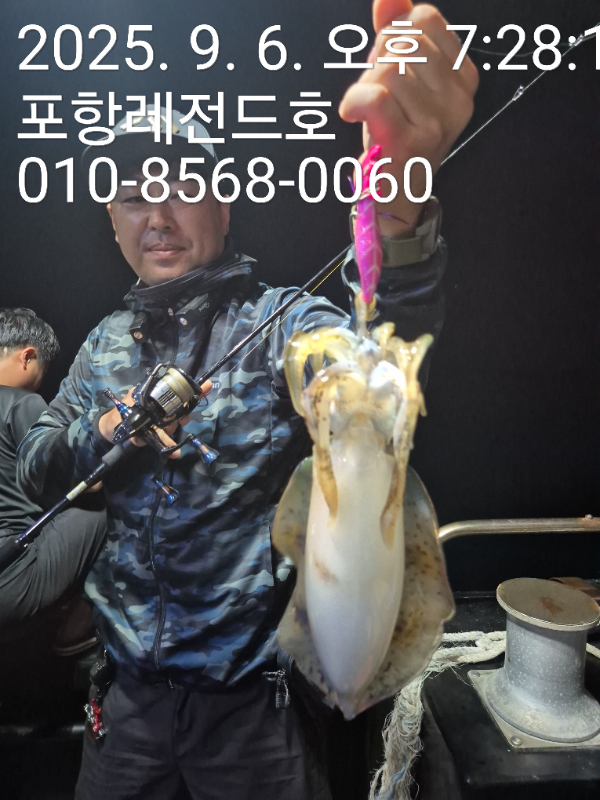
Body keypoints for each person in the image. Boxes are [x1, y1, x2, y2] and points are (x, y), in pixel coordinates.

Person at [18, 2, 478, 798]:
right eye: (132, 194)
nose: (157, 214)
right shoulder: (101, 345)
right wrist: (110, 427)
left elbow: (375, 375)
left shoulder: (280, 322)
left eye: (181, 186)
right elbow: (37, 469)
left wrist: (396, 219)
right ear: (112, 219)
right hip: (125, 708)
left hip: (252, 719)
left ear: (224, 206)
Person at [0, 308, 107, 648]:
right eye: (42, 370)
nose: (41, 380)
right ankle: (78, 625)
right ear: (27, 357)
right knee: (111, 501)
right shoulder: (20, 403)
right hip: (11, 576)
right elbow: (78, 478)